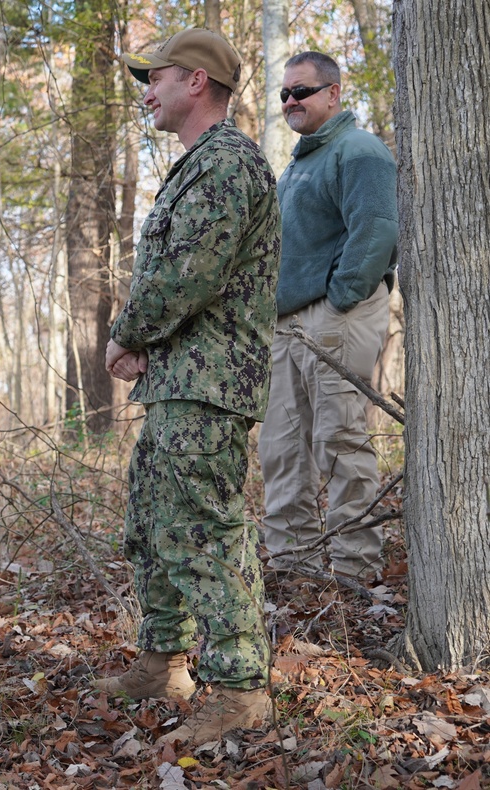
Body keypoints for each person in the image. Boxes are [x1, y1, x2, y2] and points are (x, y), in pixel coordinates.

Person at [94, 28, 280, 746]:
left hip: (209, 385)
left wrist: (127, 332)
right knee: (155, 524)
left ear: (196, 82)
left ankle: (237, 687)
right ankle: (163, 658)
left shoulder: (227, 164)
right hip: (182, 380)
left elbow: (187, 275)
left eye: (157, 77)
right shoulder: (197, 165)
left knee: (204, 531)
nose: (147, 91)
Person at [259, 52, 397, 578]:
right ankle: (297, 571)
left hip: (337, 313)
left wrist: (338, 299)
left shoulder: (359, 151)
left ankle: (354, 571)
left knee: (338, 440)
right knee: (281, 448)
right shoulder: (298, 162)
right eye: (285, 94)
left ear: (334, 93)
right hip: (287, 322)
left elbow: (377, 229)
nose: (291, 101)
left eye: (303, 91)